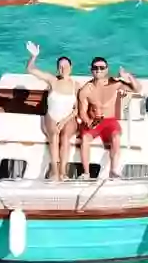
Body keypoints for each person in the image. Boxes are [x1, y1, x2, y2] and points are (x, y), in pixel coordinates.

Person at [25, 41, 80, 182]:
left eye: (66, 66)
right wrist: (33, 56)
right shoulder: (52, 80)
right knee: (54, 136)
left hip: (68, 118)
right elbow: (30, 70)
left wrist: (64, 121)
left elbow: (77, 110)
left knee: (65, 137)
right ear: (57, 69)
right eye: (60, 66)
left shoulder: (76, 85)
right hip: (52, 116)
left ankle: (63, 172)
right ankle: (55, 172)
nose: (64, 68)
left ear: (71, 67)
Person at [77, 56, 139, 180]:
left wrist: (128, 76)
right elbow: (82, 112)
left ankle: (113, 170)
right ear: (91, 70)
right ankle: (86, 173)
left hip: (110, 120)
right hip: (94, 120)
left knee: (116, 137)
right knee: (85, 138)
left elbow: (137, 89)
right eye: (95, 68)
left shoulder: (115, 84)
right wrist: (88, 122)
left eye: (101, 68)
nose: (98, 70)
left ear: (106, 69)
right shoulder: (86, 89)